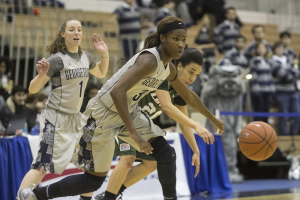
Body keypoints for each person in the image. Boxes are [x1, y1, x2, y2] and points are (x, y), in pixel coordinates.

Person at [24, 16, 224, 200]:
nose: (181, 44)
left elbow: (189, 96)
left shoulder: (168, 68)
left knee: (166, 155)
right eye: (176, 38)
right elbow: (116, 92)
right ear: (163, 38)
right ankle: (37, 195)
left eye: (184, 39)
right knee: (93, 180)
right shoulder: (148, 60)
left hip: (128, 110)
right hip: (102, 113)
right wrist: (134, 134)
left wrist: (213, 119)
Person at [95, 48, 220, 200]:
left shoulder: (181, 90)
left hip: (141, 125)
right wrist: (197, 125)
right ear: (179, 66)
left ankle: (110, 195)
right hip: (124, 117)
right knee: (128, 159)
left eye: (197, 75)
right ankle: (109, 196)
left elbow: (183, 123)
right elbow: (167, 107)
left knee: (151, 164)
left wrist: (196, 149)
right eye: (191, 72)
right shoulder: (164, 74)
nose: (193, 78)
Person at [17, 17, 110, 200]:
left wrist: (105, 54)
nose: (76, 33)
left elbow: (100, 72)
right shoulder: (57, 60)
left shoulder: (85, 57)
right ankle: (21, 197)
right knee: (43, 165)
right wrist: (41, 75)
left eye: (79, 29)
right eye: (72, 29)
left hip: (76, 118)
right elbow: (32, 89)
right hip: (55, 118)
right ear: (63, 34)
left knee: (89, 164)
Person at [270, 42, 300, 135]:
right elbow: (282, 74)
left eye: (282, 48)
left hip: (293, 91)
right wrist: (291, 72)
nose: (280, 50)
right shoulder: (272, 61)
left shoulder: (288, 60)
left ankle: (293, 136)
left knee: (297, 115)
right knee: (283, 115)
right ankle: (284, 136)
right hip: (281, 92)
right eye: (278, 48)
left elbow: (297, 73)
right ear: (274, 49)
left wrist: (290, 72)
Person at [249, 42, 275, 123]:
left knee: (266, 111)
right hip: (258, 90)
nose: (261, 49)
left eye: (263, 47)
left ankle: (265, 131)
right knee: (258, 110)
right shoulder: (254, 60)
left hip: (268, 90)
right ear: (256, 50)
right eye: (259, 48)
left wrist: (272, 89)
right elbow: (253, 75)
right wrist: (256, 90)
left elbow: (270, 76)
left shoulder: (268, 61)